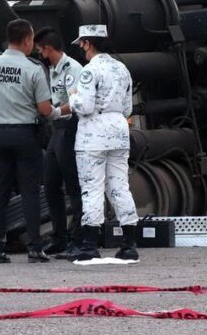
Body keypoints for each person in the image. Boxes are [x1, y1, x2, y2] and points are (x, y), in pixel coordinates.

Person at [0, 19, 61, 264]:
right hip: (25, 135)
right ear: (28, 40)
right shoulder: (32, 69)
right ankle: (34, 249)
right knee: (30, 191)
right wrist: (59, 112)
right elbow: (44, 109)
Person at [61, 24, 139, 262]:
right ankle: (130, 244)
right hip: (119, 131)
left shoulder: (89, 71)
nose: (81, 49)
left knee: (92, 188)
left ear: (87, 43)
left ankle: (90, 245)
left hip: (92, 135)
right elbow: (127, 107)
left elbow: (84, 106)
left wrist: (73, 96)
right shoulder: (122, 69)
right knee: (119, 186)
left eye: (82, 44)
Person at [33, 27, 84, 258]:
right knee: (51, 183)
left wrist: (53, 112)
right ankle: (60, 237)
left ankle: (78, 238)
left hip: (70, 127)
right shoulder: (52, 69)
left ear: (48, 48)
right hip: (57, 130)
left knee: (73, 185)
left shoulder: (72, 68)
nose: (39, 55)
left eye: (40, 50)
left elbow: (74, 102)